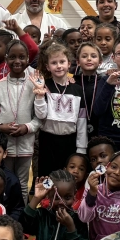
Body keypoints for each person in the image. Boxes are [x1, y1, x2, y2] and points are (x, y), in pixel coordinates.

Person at [0, 40, 39, 201]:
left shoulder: (35, 85)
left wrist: (27, 127)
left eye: (22, 57)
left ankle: (21, 220)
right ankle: (5, 215)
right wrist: (0, 127)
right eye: (12, 57)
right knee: (4, 181)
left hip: (26, 143)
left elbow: (40, 118)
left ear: (28, 60)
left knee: (23, 184)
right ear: (6, 59)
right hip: (5, 145)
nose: (17, 61)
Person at [32, 43, 87, 178]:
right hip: (48, 140)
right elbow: (41, 114)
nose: (58, 66)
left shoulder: (77, 90)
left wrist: (81, 148)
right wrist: (39, 95)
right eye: (54, 63)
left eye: (62, 62)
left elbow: (82, 120)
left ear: (69, 64)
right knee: (47, 177)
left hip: (70, 141)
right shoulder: (45, 86)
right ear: (47, 67)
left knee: (66, 178)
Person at [78, 151, 120, 240]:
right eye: (114, 167)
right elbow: (84, 218)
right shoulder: (92, 191)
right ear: (107, 166)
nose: (117, 172)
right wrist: (92, 193)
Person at [75, 42, 102, 134]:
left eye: (94, 56)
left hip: (100, 128)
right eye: (84, 56)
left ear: (100, 62)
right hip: (76, 128)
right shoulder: (72, 81)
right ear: (78, 62)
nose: (89, 59)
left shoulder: (105, 82)